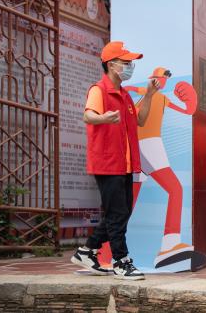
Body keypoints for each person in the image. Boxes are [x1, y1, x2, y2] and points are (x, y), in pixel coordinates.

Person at [71, 41, 159, 280]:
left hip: (125, 164)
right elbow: (88, 115)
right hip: (108, 163)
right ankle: (121, 261)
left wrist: (149, 95)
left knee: (120, 213)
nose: (130, 66)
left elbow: (140, 120)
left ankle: (87, 251)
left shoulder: (125, 95)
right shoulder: (99, 90)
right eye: (126, 62)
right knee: (118, 213)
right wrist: (103, 119)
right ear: (111, 64)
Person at [121, 68, 198, 269]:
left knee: (129, 201)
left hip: (142, 147)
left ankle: (103, 251)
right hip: (149, 145)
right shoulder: (149, 96)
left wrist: (190, 103)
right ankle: (170, 244)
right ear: (152, 80)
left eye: (164, 79)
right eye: (159, 78)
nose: (162, 81)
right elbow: (131, 89)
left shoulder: (157, 98)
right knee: (176, 189)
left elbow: (186, 111)